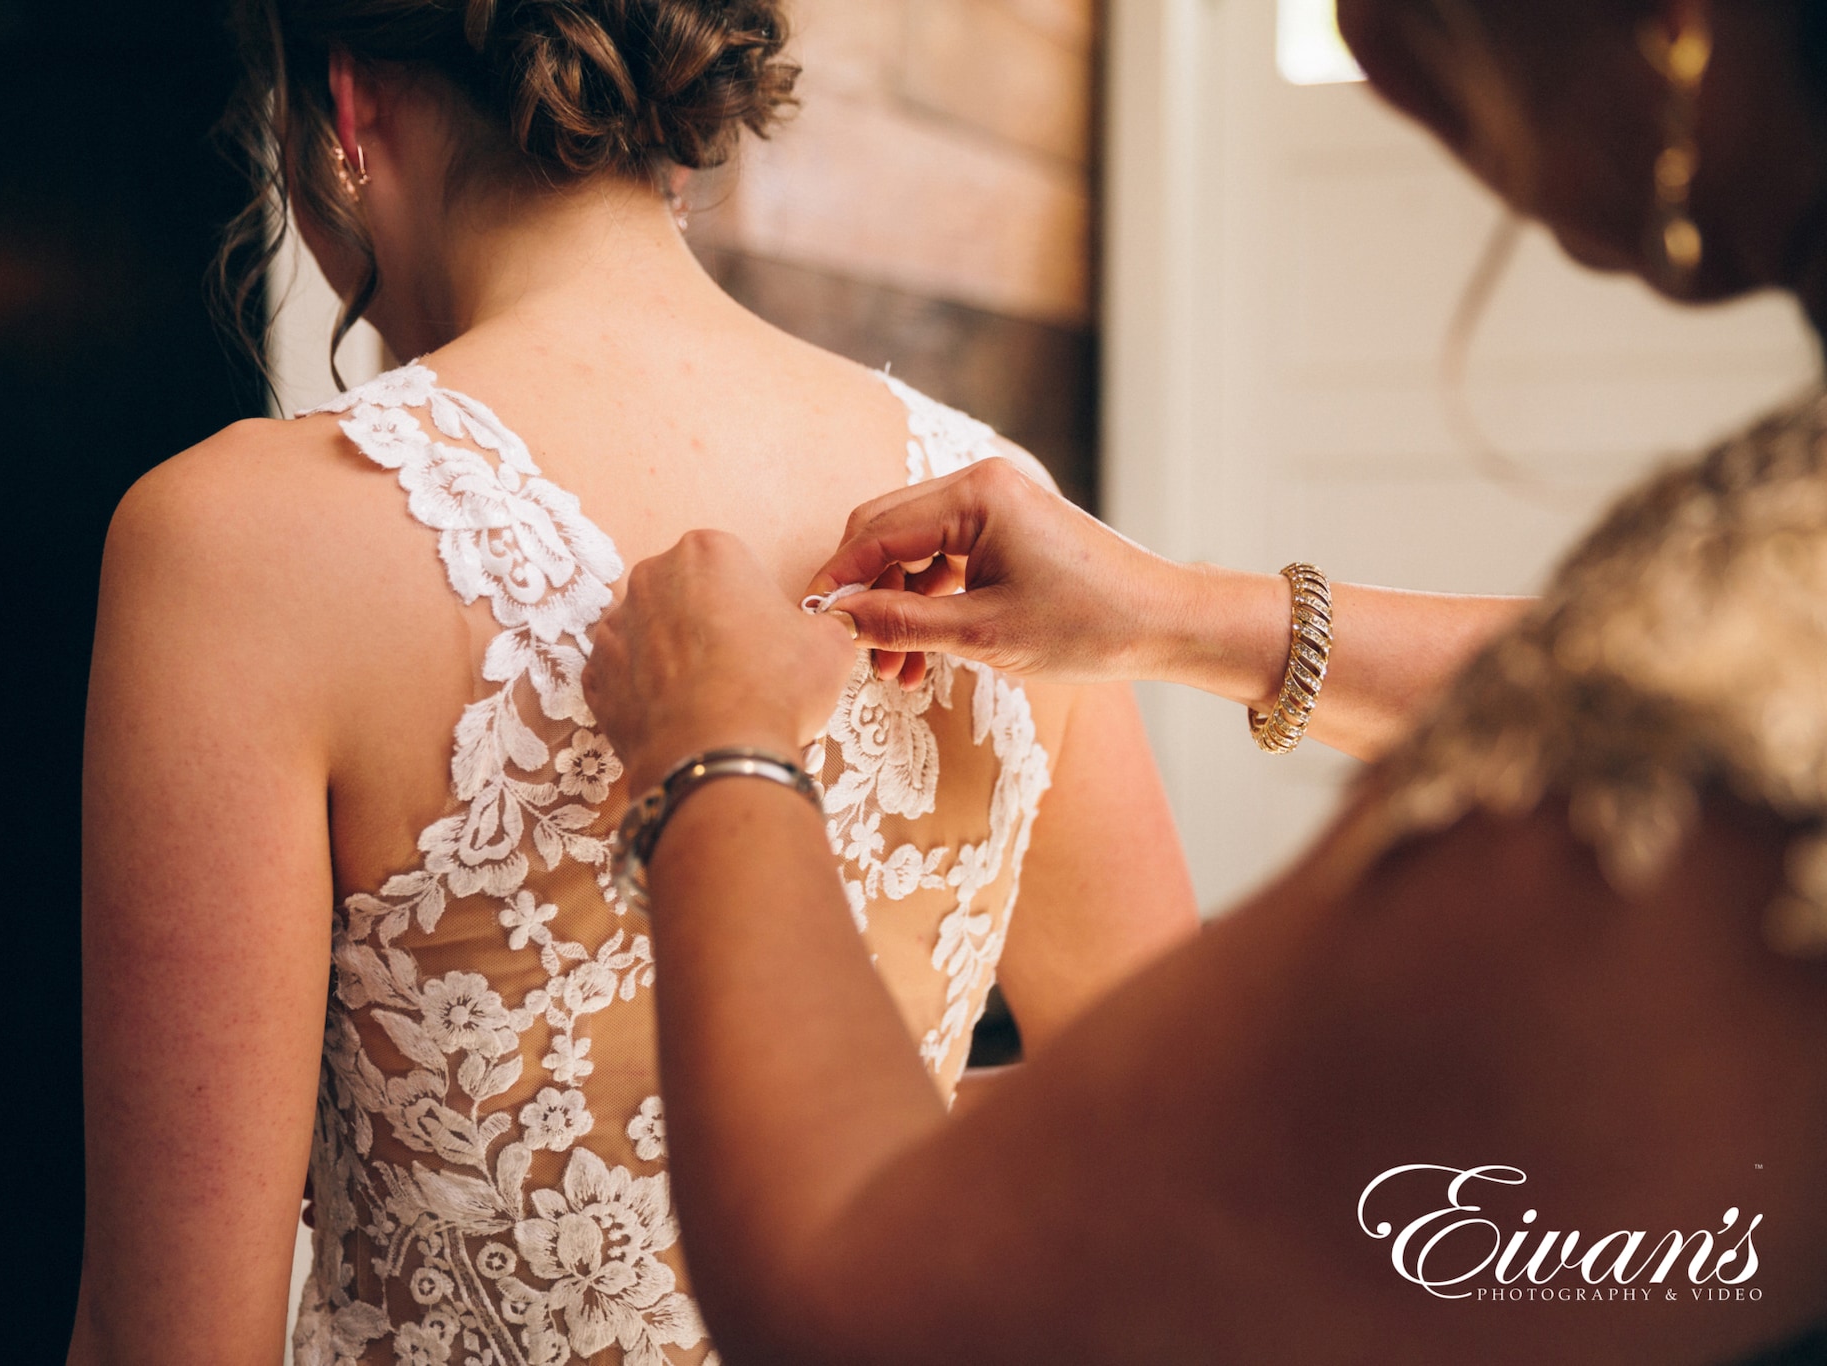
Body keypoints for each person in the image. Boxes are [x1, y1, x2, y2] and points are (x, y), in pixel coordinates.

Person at [579, 0, 1827, 1362]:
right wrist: (1175, 615)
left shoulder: (1712, 794)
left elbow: (855, 1302)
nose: (1374, 62)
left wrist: (721, 751)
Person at [69, 4, 1221, 1364]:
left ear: (341, 105)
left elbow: (171, 1340)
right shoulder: (998, 516)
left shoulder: (231, 545)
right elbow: (1185, 1146)